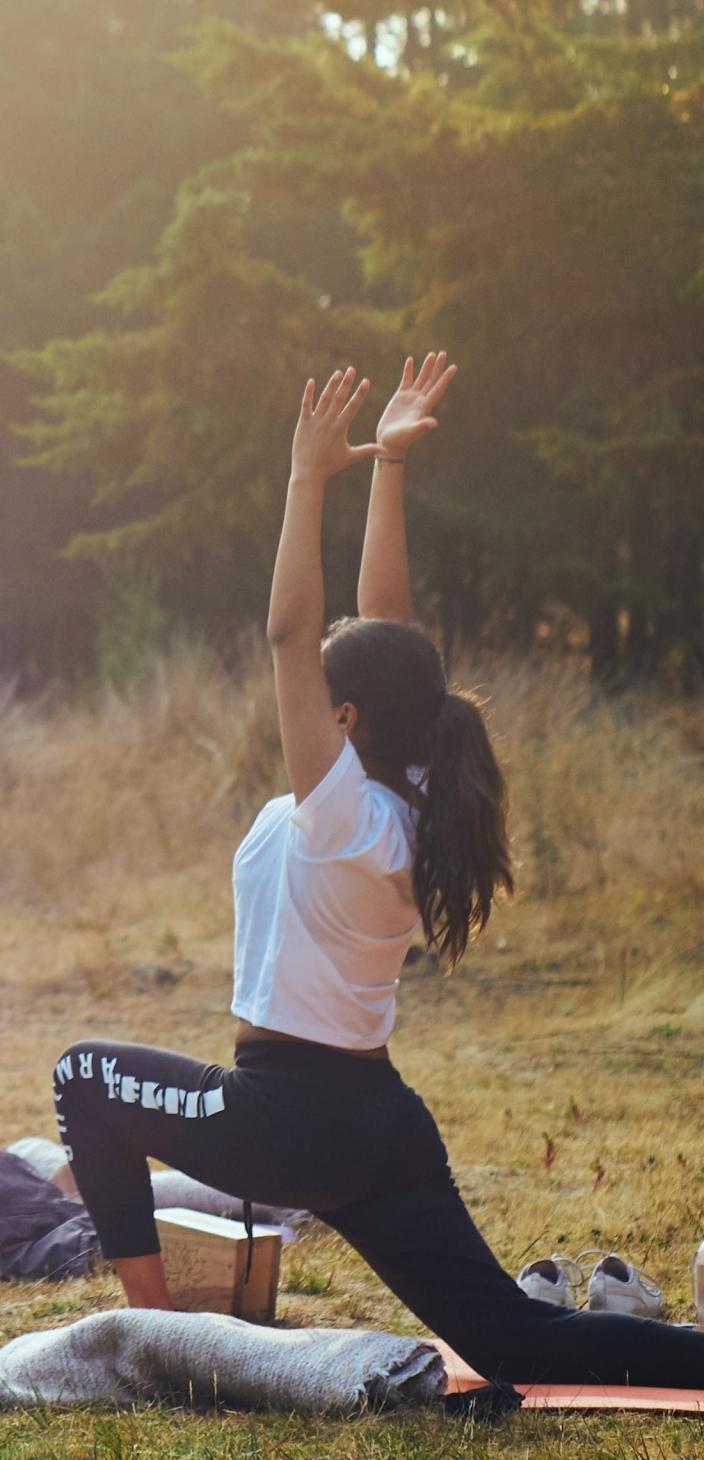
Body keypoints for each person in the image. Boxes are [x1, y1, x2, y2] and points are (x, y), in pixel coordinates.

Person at [50, 356, 704, 1385]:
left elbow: (287, 631)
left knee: (79, 1077)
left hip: (284, 1119)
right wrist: (388, 465)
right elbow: (382, 625)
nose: (305, 692)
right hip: (373, 1125)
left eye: (322, 692)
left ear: (343, 716)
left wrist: (306, 478)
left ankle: (161, 1340)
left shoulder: (345, 812)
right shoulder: (402, 791)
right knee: (514, 1343)